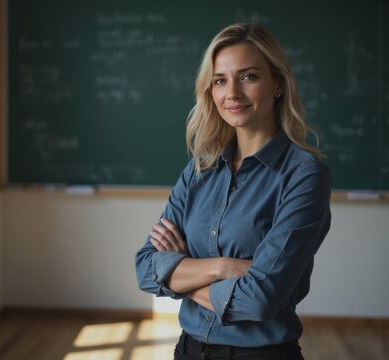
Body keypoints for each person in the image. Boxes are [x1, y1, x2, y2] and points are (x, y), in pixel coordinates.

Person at [135, 23, 331, 360]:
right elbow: (146, 268)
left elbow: (259, 297)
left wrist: (182, 272)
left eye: (249, 77)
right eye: (220, 80)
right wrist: (225, 267)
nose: (232, 94)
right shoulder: (199, 169)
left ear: (278, 84)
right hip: (188, 350)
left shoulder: (304, 175)